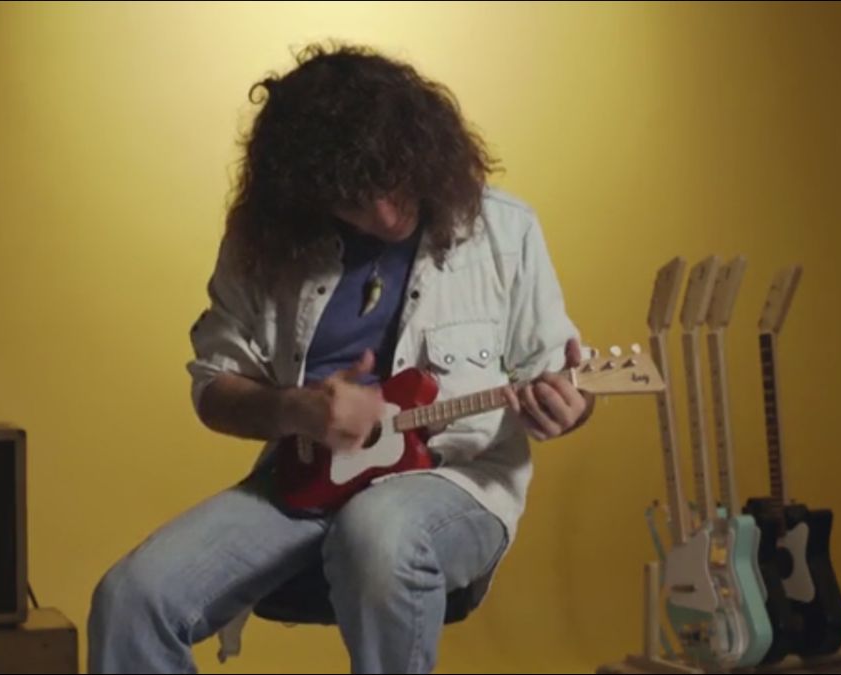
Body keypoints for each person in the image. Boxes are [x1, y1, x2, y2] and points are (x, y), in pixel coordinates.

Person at [87, 42, 594, 674]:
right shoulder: (264, 245)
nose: (383, 215)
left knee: (378, 531)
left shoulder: (505, 233)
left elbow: (562, 376)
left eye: (393, 186)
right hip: (304, 484)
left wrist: (567, 408)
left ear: (423, 154)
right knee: (131, 599)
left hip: (454, 483)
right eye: (354, 200)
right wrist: (296, 410)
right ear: (305, 194)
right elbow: (213, 389)